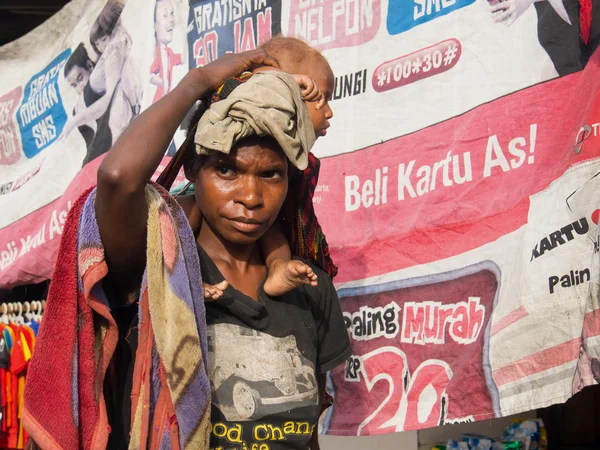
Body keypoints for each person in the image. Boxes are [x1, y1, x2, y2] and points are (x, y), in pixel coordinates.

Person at [92, 41, 349, 450]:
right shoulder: (158, 272)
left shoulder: (308, 286)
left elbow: (307, 428)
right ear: (194, 167)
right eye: (226, 169)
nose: (250, 196)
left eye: (271, 175)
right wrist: (199, 81)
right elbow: (118, 178)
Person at [175, 37, 336, 301]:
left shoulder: (297, 157)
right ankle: (180, 278)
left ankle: (278, 268)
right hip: (192, 202)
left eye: (272, 173)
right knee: (181, 215)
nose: (327, 112)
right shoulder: (256, 97)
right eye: (319, 97)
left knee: (273, 233)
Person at [60, 0, 142, 166]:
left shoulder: (116, 49)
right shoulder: (115, 51)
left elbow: (106, 103)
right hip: (111, 120)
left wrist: (73, 122)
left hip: (117, 121)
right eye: (97, 44)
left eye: (102, 40)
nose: (100, 46)